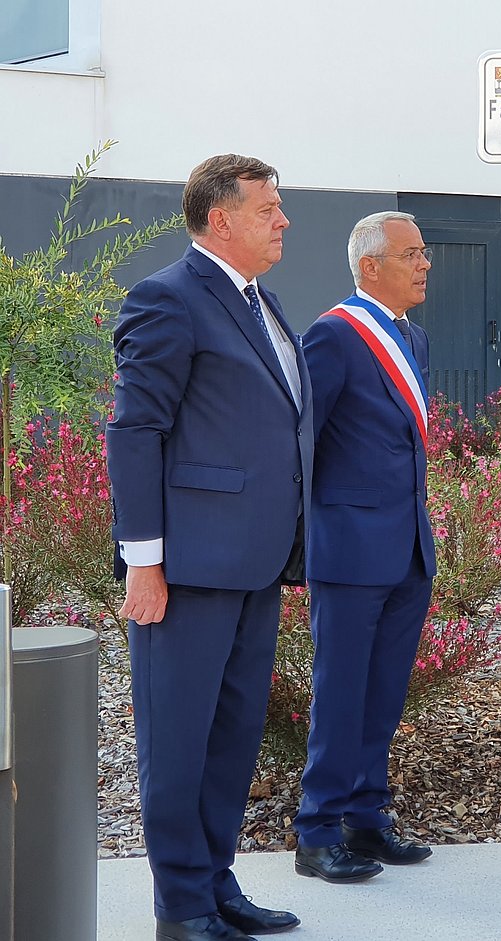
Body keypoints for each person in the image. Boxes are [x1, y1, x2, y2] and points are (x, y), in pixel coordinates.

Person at [107, 155, 312, 941]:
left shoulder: (262, 302)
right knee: (179, 741)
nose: (283, 220)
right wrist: (145, 561)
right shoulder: (167, 299)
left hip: (255, 565)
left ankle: (216, 881)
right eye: (269, 208)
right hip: (186, 569)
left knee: (231, 739)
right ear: (219, 218)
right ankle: (181, 907)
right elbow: (135, 432)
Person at [293, 211, 436, 882]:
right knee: (341, 693)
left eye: (424, 252)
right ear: (369, 266)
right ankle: (317, 831)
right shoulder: (332, 336)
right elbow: (299, 443)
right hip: (349, 551)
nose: (425, 263)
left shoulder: (414, 338)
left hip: (407, 547)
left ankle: (367, 819)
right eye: (411, 253)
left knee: (381, 695)